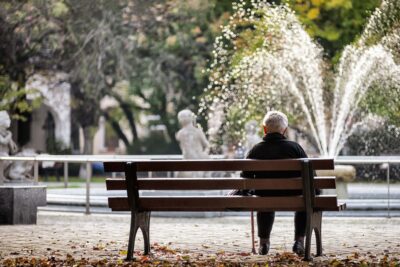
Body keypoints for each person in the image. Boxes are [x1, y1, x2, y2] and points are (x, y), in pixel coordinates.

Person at [241, 111, 308, 256]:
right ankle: (299, 241)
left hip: (265, 196)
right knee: (305, 200)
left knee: (264, 199)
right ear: (284, 130)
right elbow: (309, 176)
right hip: (294, 196)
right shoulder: (295, 148)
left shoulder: (256, 149)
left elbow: (244, 177)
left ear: (264, 129)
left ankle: (264, 243)